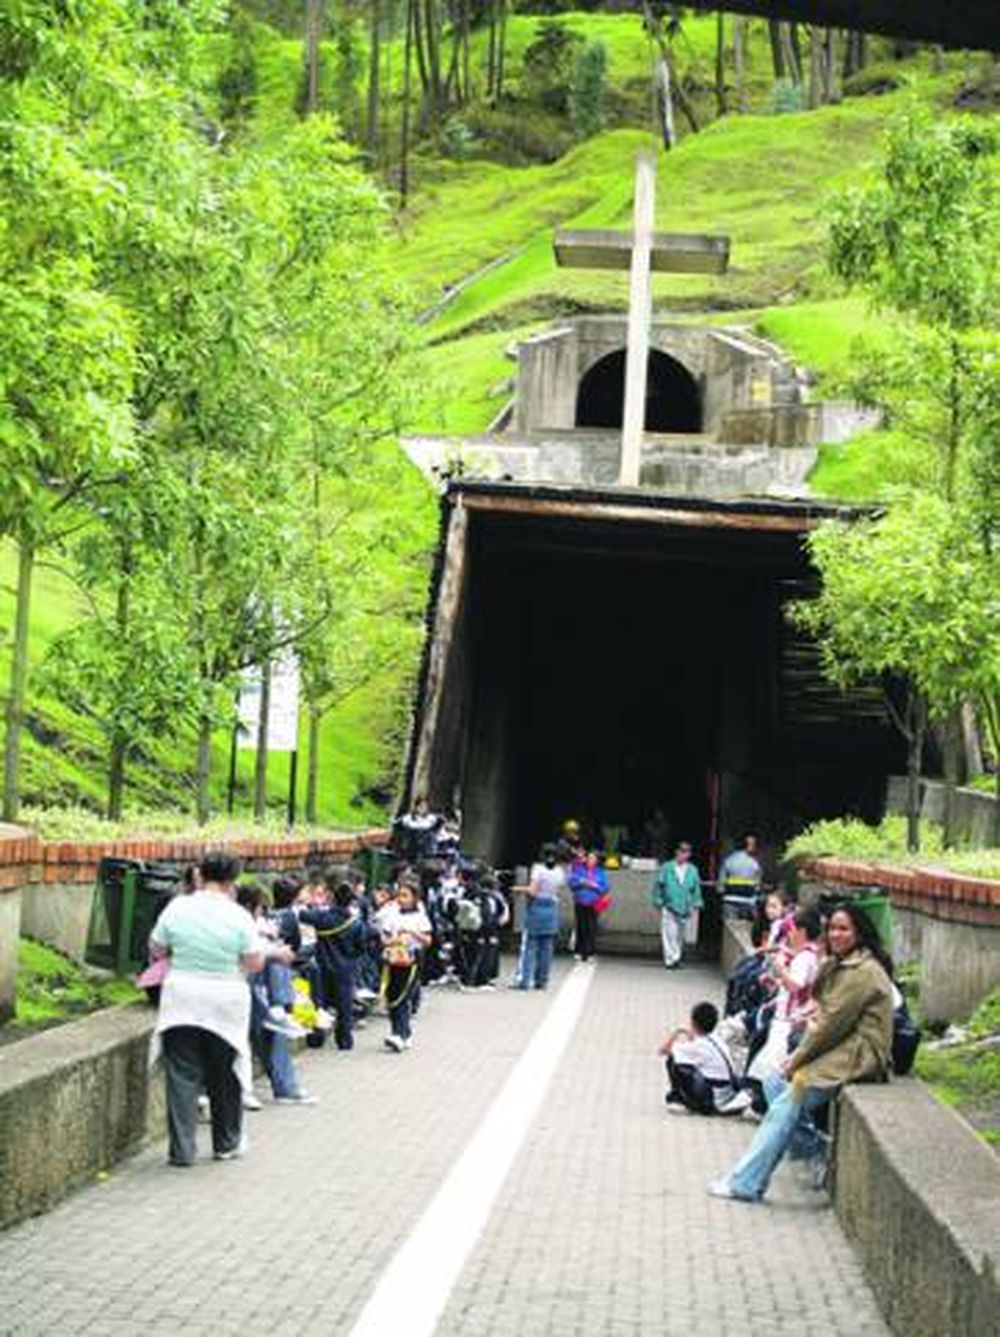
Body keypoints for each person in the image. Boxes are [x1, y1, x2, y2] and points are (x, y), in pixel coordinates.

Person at [709, 902, 894, 1203]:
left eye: (844, 929)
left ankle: (746, 1183)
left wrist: (794, 1061)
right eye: (832, 928)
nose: (836, 934)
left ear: (859, 933)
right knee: (771, 1083)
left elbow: (829, 1026)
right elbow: (825, 1010)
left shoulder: (863, 971)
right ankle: (815, 1150)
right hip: (838, 1047)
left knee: (786, 1100)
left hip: (856, 1054)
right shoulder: (842, 963)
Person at [149, 851, 263, 1167]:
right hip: (226, 1000)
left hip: (181, 997)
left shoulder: (178, 908)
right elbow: (254, 961)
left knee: (182, 1074)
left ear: (200, 874)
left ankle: (182, 1150)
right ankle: (226, 1143)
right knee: (224, 1073)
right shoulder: (240, 916)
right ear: (233, 880)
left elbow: (156, 948)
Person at [660, 1001, 750, 1115]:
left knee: (673, 1060)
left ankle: (679, 1099)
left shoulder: (699, 1045)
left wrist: (677, 1032)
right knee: (686, 1059)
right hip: (727, 1091)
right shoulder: (717, 1038)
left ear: (693, 1023)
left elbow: (664, 1050)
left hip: (712, 1097)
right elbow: (696, 1048)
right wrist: (691, 1035)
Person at [378, 882, 431, 1051]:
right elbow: (383, 939)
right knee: (392, 995)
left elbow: (428, 940)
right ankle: (402, 1032)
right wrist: (394, 940)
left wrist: (413, 933)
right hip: (393, 960)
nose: (401, 899)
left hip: (412, 960)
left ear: (415, 898)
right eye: (399, 895)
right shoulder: (391, 916)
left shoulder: (420, 917)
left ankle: (399, 1034)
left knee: (403, 996)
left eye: (405, 895)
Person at [516, 842, 566, 991]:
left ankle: (525, 981)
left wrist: (518, 889)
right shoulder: (559, 871)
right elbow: (559, 889)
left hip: (537, 906)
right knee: (546, 948)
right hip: (551, 907)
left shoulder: (538, 869)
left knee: (530, 946)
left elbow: (533, 891)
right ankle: (542, 981)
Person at [650, 841, 703, 969]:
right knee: (669, 933)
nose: (683, 855)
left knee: (680, 934)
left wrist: (697, 902)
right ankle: (670, 960)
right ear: (677, 852)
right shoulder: (667, 867)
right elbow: (659, 884)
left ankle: (676, 957)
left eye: (686, 852)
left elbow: (696, 887)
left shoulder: (692, 869)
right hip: (669, 904)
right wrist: (658, 900)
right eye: (682, 852)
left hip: (685, 905)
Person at [567, 849, 609, 963]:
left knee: (591, 928)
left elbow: (605, 887)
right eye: (589, 858)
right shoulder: (579, 869)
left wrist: (594, 885)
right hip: (580, 902)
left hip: (593, 903)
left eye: (593, 858)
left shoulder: (600, 872)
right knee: (581, 926)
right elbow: (571, 881)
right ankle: (579, 951)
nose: (590, 860)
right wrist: (582, 882)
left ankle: (590, 952)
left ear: (597, 861)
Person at [718, 833, 763, 918]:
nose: (754, 847)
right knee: (745, 929)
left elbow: (720, 888)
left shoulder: (728, 861)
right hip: (748, 904)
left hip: (729, 903)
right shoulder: (754, 864)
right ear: (748, 846)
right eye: (753, 845)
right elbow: (758, 888)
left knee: (730, 929)